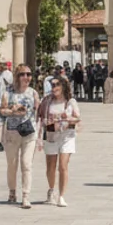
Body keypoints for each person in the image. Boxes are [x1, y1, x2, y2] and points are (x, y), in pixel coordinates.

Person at [0, 64, 41, 209]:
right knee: (12, 164)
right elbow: (2, 110)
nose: (26, 77)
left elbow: (39, 112)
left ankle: (26, 196)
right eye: (23, 74)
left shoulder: (33, 93)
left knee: (26, 164)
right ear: (17, 76)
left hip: (29, 132)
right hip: (12, 132)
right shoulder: (8, 92)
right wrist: (12, 111)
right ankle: (12, 191)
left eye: (29, 75)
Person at [40, 76, 80, 207]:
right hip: (51, 135)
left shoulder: (70, 102)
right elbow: (41, 118)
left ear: (63, 86)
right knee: (50, 166)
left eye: (57, 84)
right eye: (52, 85)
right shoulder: (47, 101)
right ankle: (51, 190)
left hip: (66, 136)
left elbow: (77, 118)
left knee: (63, 166)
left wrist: (66, 118)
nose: (54, 87)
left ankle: (61, 196)